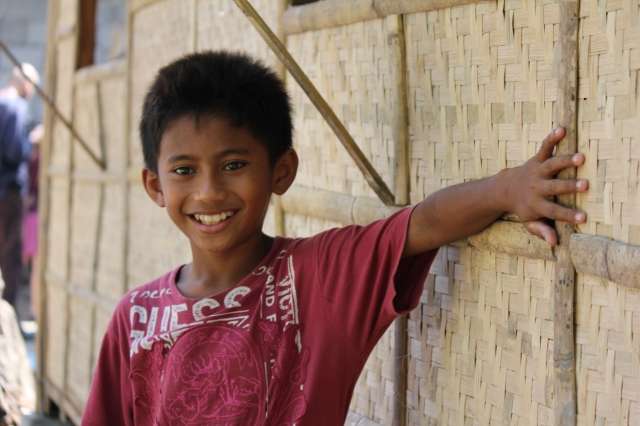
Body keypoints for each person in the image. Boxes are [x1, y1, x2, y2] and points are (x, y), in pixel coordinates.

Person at [82, 51, 589, 425]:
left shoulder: (319, 276)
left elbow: (424, 222)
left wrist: (506, 189)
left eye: (233, 165)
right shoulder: (136, 317)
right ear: (155, 185)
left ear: (281, 171)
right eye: (184, 170)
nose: (209, 191)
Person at [0, 63, 39, 309]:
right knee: (11, 254)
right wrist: (31, 142)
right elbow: (15, 151)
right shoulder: (16, 107)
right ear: (25, 83)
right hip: (9, 191)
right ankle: (7, 313)